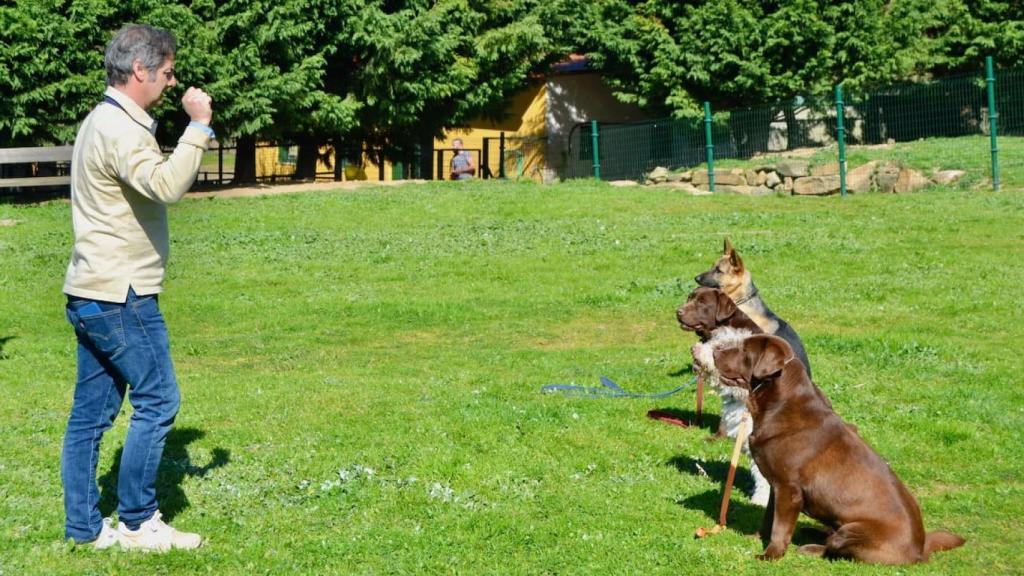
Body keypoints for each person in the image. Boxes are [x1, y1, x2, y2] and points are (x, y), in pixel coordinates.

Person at [61, 24, 214, 552]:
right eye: (168, 73)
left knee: (91, 416)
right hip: (119, 295)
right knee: (159, 400)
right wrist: (199, 127)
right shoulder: (122, 128)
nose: (172, 82)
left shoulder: (102, 120)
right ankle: (137, 521)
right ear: (141, 71)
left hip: (90, 290)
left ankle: (84, 527)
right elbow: (167, 184)